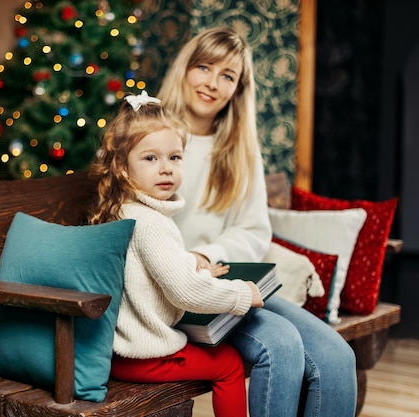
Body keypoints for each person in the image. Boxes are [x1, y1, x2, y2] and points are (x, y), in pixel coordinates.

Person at [157, 26, 358, 417]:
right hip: (175, 295)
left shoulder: (241, 150)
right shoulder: (152, 138)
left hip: (231, 286)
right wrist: (187, 264)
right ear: (185, 68)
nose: (212, 83)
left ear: (238, 89)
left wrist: (206, 254)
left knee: (337, 356)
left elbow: (253, 232)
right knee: (280, 343)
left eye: (227, 76)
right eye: (204, 67)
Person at [87, 90, 264, 417]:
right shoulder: (151, 223)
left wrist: (194, 266)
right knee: (228, 364)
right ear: (124, 169)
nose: (166, 169)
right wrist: (242, 293)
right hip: (144, 356)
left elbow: (151, 271)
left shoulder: (127, 212)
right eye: (151, 158)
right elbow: (185, 292)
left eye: (175, 157)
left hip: (123, 348)